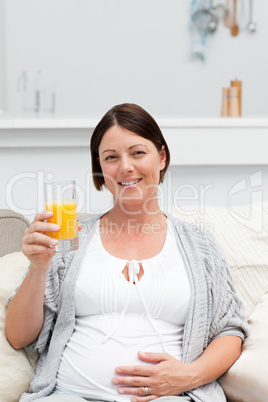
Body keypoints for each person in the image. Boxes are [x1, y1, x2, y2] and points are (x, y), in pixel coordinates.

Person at [6, 103, 249, 402]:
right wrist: (39, 267)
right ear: (100, 167)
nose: (125, 167)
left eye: (137, 153)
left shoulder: (199, 244)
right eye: (111, 157)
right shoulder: (69, 241)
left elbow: (229, 330)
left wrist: (189, 376)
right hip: (69, 396)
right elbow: (18, 336)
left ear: (161, 157)